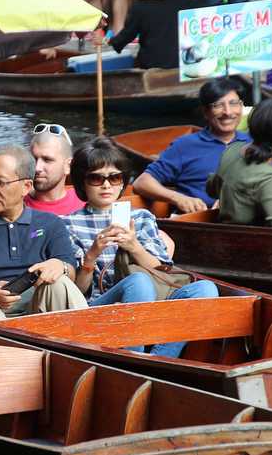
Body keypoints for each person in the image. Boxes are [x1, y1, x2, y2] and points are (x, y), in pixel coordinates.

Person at [65, 138, 217, 357]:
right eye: (96, 178)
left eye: (114, 177)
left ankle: (161, 358)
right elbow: (76, 292)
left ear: (122, 181)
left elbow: (163, 271)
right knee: (138, 282)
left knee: (205, 289)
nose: (107, 185)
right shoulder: (67, 224)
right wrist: (92, 255)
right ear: (82, 183)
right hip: (100, 305)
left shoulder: (141, 217)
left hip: (152, 298)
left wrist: (134, 246)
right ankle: (133, 357)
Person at [0, 144, 89, 321]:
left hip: (42, 309)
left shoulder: (51, 223)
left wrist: (60, 266)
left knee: (60, 282)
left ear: (26, 186)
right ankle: (10, 345)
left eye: (1, 182)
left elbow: (71, 272)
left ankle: (79, 345)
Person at [134, 77, 250, 213]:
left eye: (234, 103)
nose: (228, 112)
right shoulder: (185, 145)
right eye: (218, 105)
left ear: (241, 107)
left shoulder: (253, 143)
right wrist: (179, 198)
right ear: (206, 112)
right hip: (200, 222)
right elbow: (142, 182)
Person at [213, 98, 272, 228]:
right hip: (249, 239)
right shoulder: (268, 177)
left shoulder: (232, 150)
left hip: (226, 230)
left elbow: (212, 188)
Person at [109, 0, 195, 69]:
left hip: (152, 63)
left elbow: (127, 35)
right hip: (184, 61)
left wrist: (113, 43)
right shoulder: (184, 1)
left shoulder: (140, 8)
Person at [25, 123, 86, 215]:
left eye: (47, 160)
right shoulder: (14, 204)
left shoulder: (86, 201)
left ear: (67, 166)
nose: (37, 168)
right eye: (34, 159)